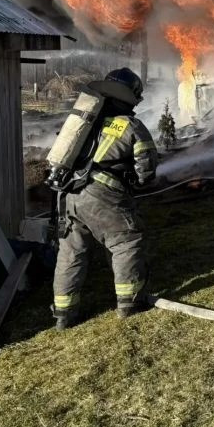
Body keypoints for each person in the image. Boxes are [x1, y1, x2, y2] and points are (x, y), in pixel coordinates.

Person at [51, 68, 159, 330]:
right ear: (130, 98)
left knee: (71, 252)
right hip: (102, 194)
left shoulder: (85, 121)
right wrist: (139, 181)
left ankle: (63, 313)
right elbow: (146, 169)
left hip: (69, 194)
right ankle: (129, 303)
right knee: (126, 241)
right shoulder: (131, 125)